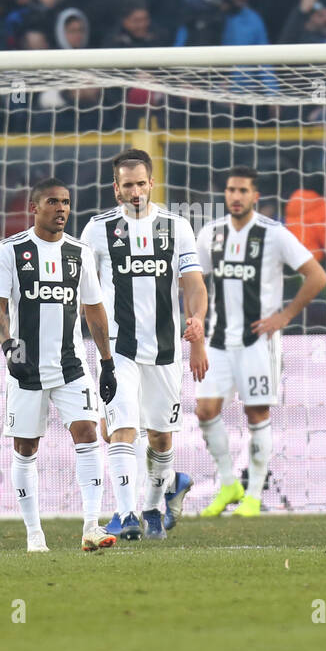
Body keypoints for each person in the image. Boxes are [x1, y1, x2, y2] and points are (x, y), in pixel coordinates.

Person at [0, 177, 119, 553]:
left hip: (71, 365)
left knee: (88, 434)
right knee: (26, 447)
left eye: (67, 203)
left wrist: (106, 363)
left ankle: (91, 525)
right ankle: (34, 534)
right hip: (26, 369)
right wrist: (10, 347)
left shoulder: (79, 252)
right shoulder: (11, 250)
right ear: (35, 207)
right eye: (53, 202)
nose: (62, 209)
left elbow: (93, 309)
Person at [80, 149, 208, 540]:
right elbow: (85, 294)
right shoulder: (96, 230)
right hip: (118, 348)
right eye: (127, 185)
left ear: (152, 183)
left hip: (166, 349)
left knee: (160, 436)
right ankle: (125, 514)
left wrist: (198, 326)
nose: (136, 192)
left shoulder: (176, 226)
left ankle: (154, 504)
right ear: (116, 189)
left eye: (141, 183)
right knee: (120, 428)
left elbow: (193, 284)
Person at [193, 166, 326, 517]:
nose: (235, 197)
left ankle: (253, 494)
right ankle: (228, 484)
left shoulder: (274, 234)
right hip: (218, 340)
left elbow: (316, 275)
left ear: (256, 196)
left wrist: (285, 316)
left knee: (256, 414)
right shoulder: (211, 234)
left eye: (243, 191)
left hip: (257, 342)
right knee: (205, 411)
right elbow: (194, 280)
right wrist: (192, 316)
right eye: (230, 190)